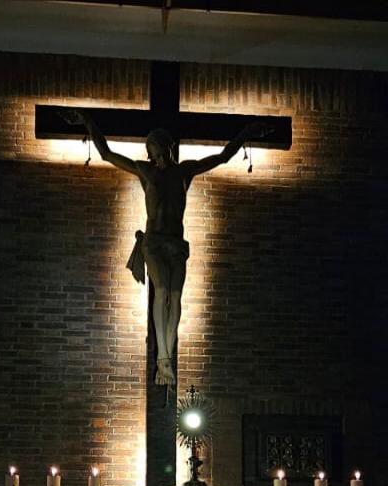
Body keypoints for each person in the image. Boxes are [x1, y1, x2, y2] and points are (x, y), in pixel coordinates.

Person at [61, 110, 271, 386]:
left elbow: (222, 157)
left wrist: (245, 133)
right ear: (149, 151)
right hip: (154, 241)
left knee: (175, 295)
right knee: (161, 292)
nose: (156, 153)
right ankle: (162, 356)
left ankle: (167, 355)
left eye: (159, 147)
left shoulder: (185, 171)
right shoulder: (145, 171)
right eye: (152, 149)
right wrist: (88, 123)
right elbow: (107, 154)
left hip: (176, 243)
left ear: (167, 146)